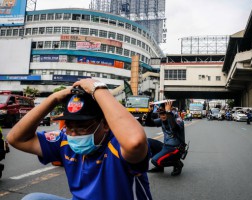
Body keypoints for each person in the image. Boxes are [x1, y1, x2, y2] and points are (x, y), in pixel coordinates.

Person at [7, 78, 152, 200]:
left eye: (82, 127)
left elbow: (135, 142)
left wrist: (98, 89)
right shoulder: (64, 140)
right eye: (69, 126)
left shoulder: (119, 144)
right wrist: (54, 98)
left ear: (105, 124)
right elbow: (16, 138)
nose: (74, 134)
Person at [145, 100, 185, 176]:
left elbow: (174, 128)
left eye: (164, 113)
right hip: (166, 146)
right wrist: (149, 111)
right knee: (147, 141)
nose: (163, 116)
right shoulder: (162, 120)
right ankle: (160, 168)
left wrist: (168, 112)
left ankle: (177, 163)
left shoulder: (178, 120)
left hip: (176, 148)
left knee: (154, 161)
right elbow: (148, 123)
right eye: (161, 114)